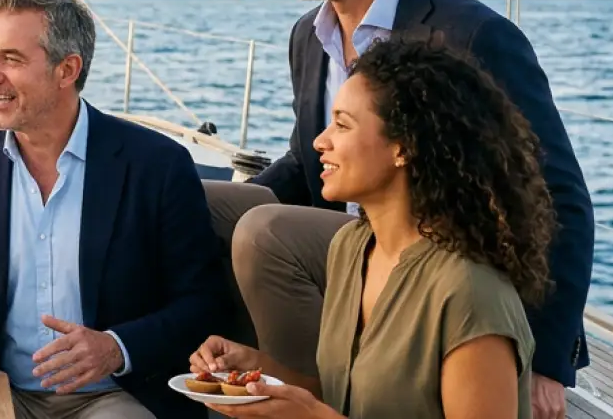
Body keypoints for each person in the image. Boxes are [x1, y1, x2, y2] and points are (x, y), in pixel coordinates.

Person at [201, 0, 594, 419]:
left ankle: (307, 401)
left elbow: (560, 197)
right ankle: (177, 367)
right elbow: (303, 165)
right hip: (359, 242)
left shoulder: (472, 37)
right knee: (185, 198)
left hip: (437, 260)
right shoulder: (308, 36)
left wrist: (546, 363)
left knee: (265, 232)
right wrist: (174, 185)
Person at [191, 38, 557, 419]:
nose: (320, 141)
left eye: (342, 125)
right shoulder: (352, 247)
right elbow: (345, 397)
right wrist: (258, 368)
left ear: (403, 147)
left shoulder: (468, 294)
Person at [0, 0, 227, 419]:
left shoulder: (157, 165)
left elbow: (204, 303)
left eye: (12, 59)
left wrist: (116, 348)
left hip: (117, 396)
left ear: (67, 70)